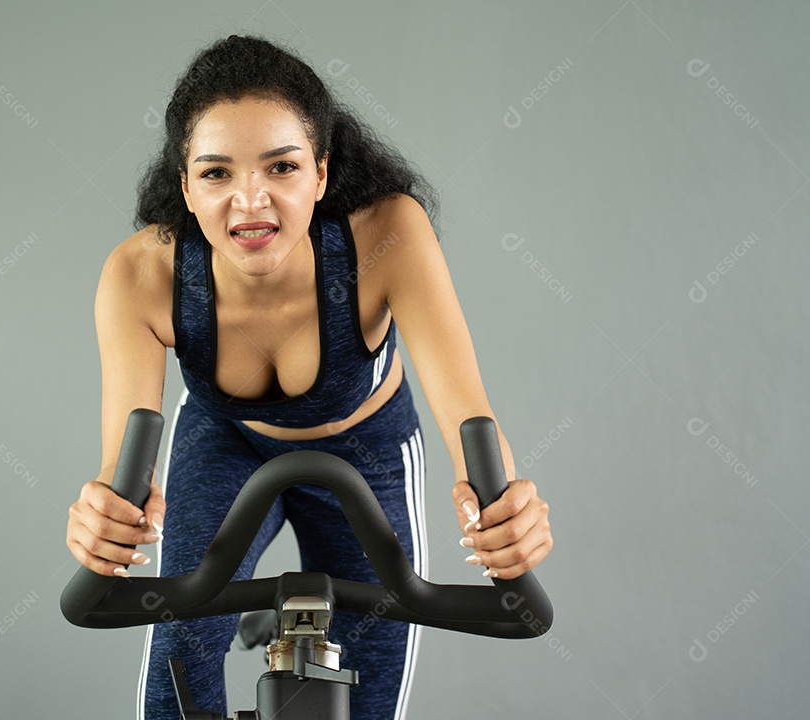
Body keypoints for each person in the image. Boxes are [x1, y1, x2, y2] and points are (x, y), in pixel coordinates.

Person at [66, 33, 553, 720]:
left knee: (375, 674)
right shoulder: (140, 275)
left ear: (321, 173)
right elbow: (124, 481)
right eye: (216, 174)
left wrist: (509, 516)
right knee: (179, 650)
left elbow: (471, 418)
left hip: (366, 450)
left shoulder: (388, 235)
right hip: (227, 442)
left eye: (282, 168)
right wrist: (102, 519)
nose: (250, 202)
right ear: (185, 185)